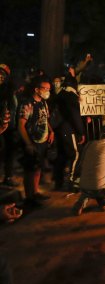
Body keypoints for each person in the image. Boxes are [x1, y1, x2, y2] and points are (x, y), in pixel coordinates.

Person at [17, 77, 54, 207]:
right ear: (37, 89)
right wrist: (28, 143)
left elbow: (45, 119)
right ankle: (29, 197)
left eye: (49, 89)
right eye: (45, 88)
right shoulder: (27, 104)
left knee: (38, 167)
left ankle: (35, 192)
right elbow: (21, 125)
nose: (48, 91)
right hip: (32, 141)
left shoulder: (43, 103)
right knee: (30, 170)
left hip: (42, 142)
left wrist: (51, 131)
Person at [72, 125, 105, 215]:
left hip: (83, 185)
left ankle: (80, 202)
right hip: (99, 189)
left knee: (90, 179)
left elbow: (80, 162)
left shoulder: (89, 144)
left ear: (100, 134)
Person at [52, 74, 86, 191]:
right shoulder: (71, 97)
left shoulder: (60, 95)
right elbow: (74, 116)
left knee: (61, 155)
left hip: (59, 130)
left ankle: (58, 182)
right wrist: (80, 132)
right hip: (69, 129)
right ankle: (72, 182)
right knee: (75, 154)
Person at [0, 64, 19, 187]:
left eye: (3, 74)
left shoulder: (9, 90)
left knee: (9, 151)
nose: (1, 76)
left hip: (9, 126)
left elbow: (13, 107)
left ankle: (8, 176)